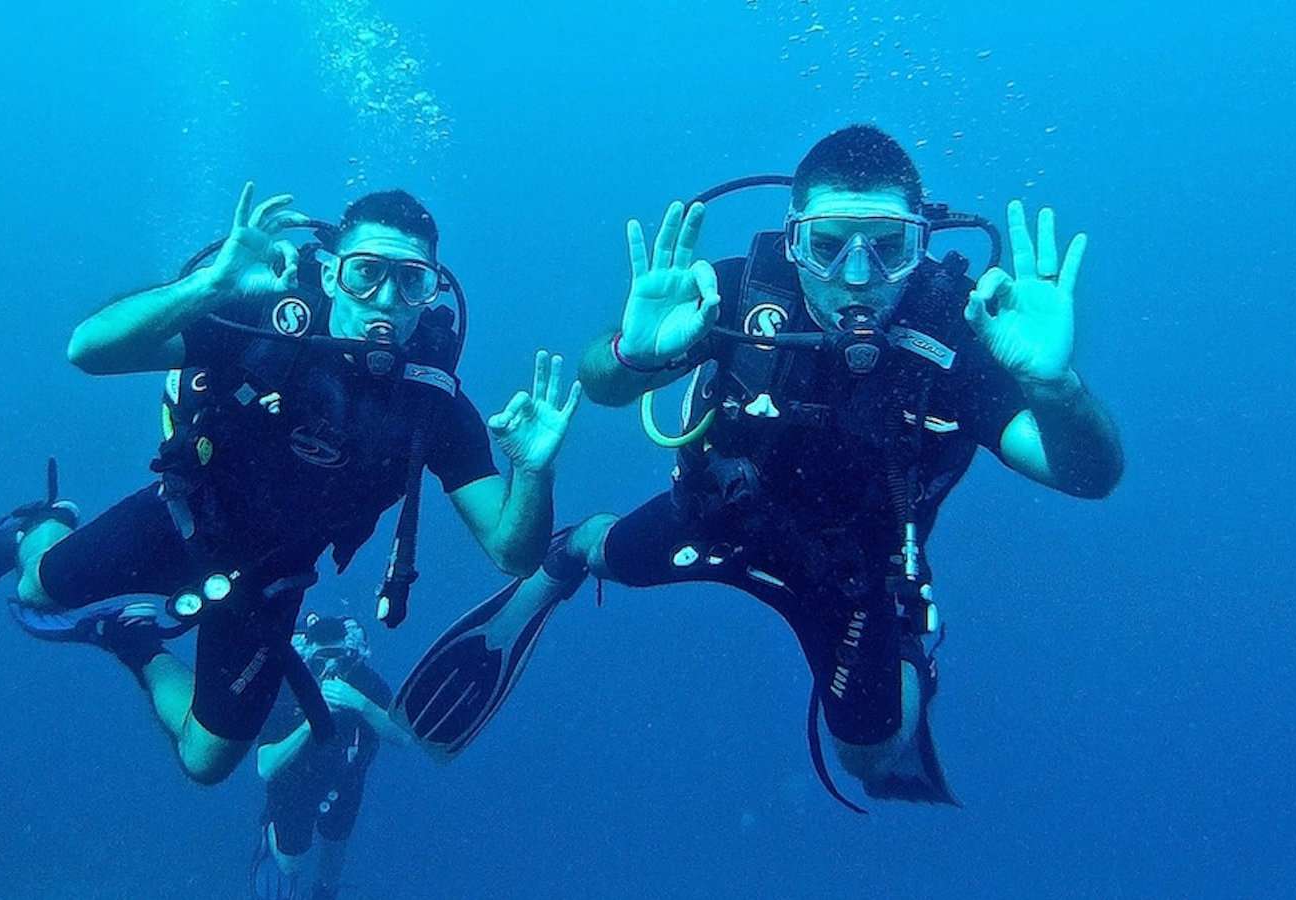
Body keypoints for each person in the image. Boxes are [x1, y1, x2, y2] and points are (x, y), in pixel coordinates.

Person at [392, 125, 1123, 808]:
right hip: (718, 519)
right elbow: (606, 386)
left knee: (868, 761)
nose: (859, 275)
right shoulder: (737, 294)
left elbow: (1088, 476)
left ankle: (904, 662)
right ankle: (574, 552)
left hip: (857, 572)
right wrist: (632, 355)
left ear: (923, 245)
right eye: (828, 245)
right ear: (792, 241)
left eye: (891, 247)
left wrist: (1056, 388)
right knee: (603, 552)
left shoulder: (962, 333)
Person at [0, 182, 582, 786]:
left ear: (431, 295)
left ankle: (129, 638)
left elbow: (513, 554)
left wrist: (535, 469)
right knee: (37, 588)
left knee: (208, 762)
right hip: (182, 517)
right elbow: (88, 351)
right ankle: (31, 525)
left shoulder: (435, 404)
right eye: (366, 272)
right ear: (331, 273)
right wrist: (209, 286)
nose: (386, 297)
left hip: (272, 579)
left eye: (411, 280)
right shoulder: (263, 325)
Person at [250, 613, 408, 900]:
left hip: (346, 780)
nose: (331, 672)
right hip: (293, 786)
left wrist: (362, 705)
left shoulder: (366, 684)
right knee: (290, 861)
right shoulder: (287, 689)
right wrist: (312, 719)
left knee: (335, 848)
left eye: (341, 661)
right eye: (320, 663)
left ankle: (324, 893)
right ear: (307, 659)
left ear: (353, 658)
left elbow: (403, 737)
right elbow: (266, 766)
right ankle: (269, 839)